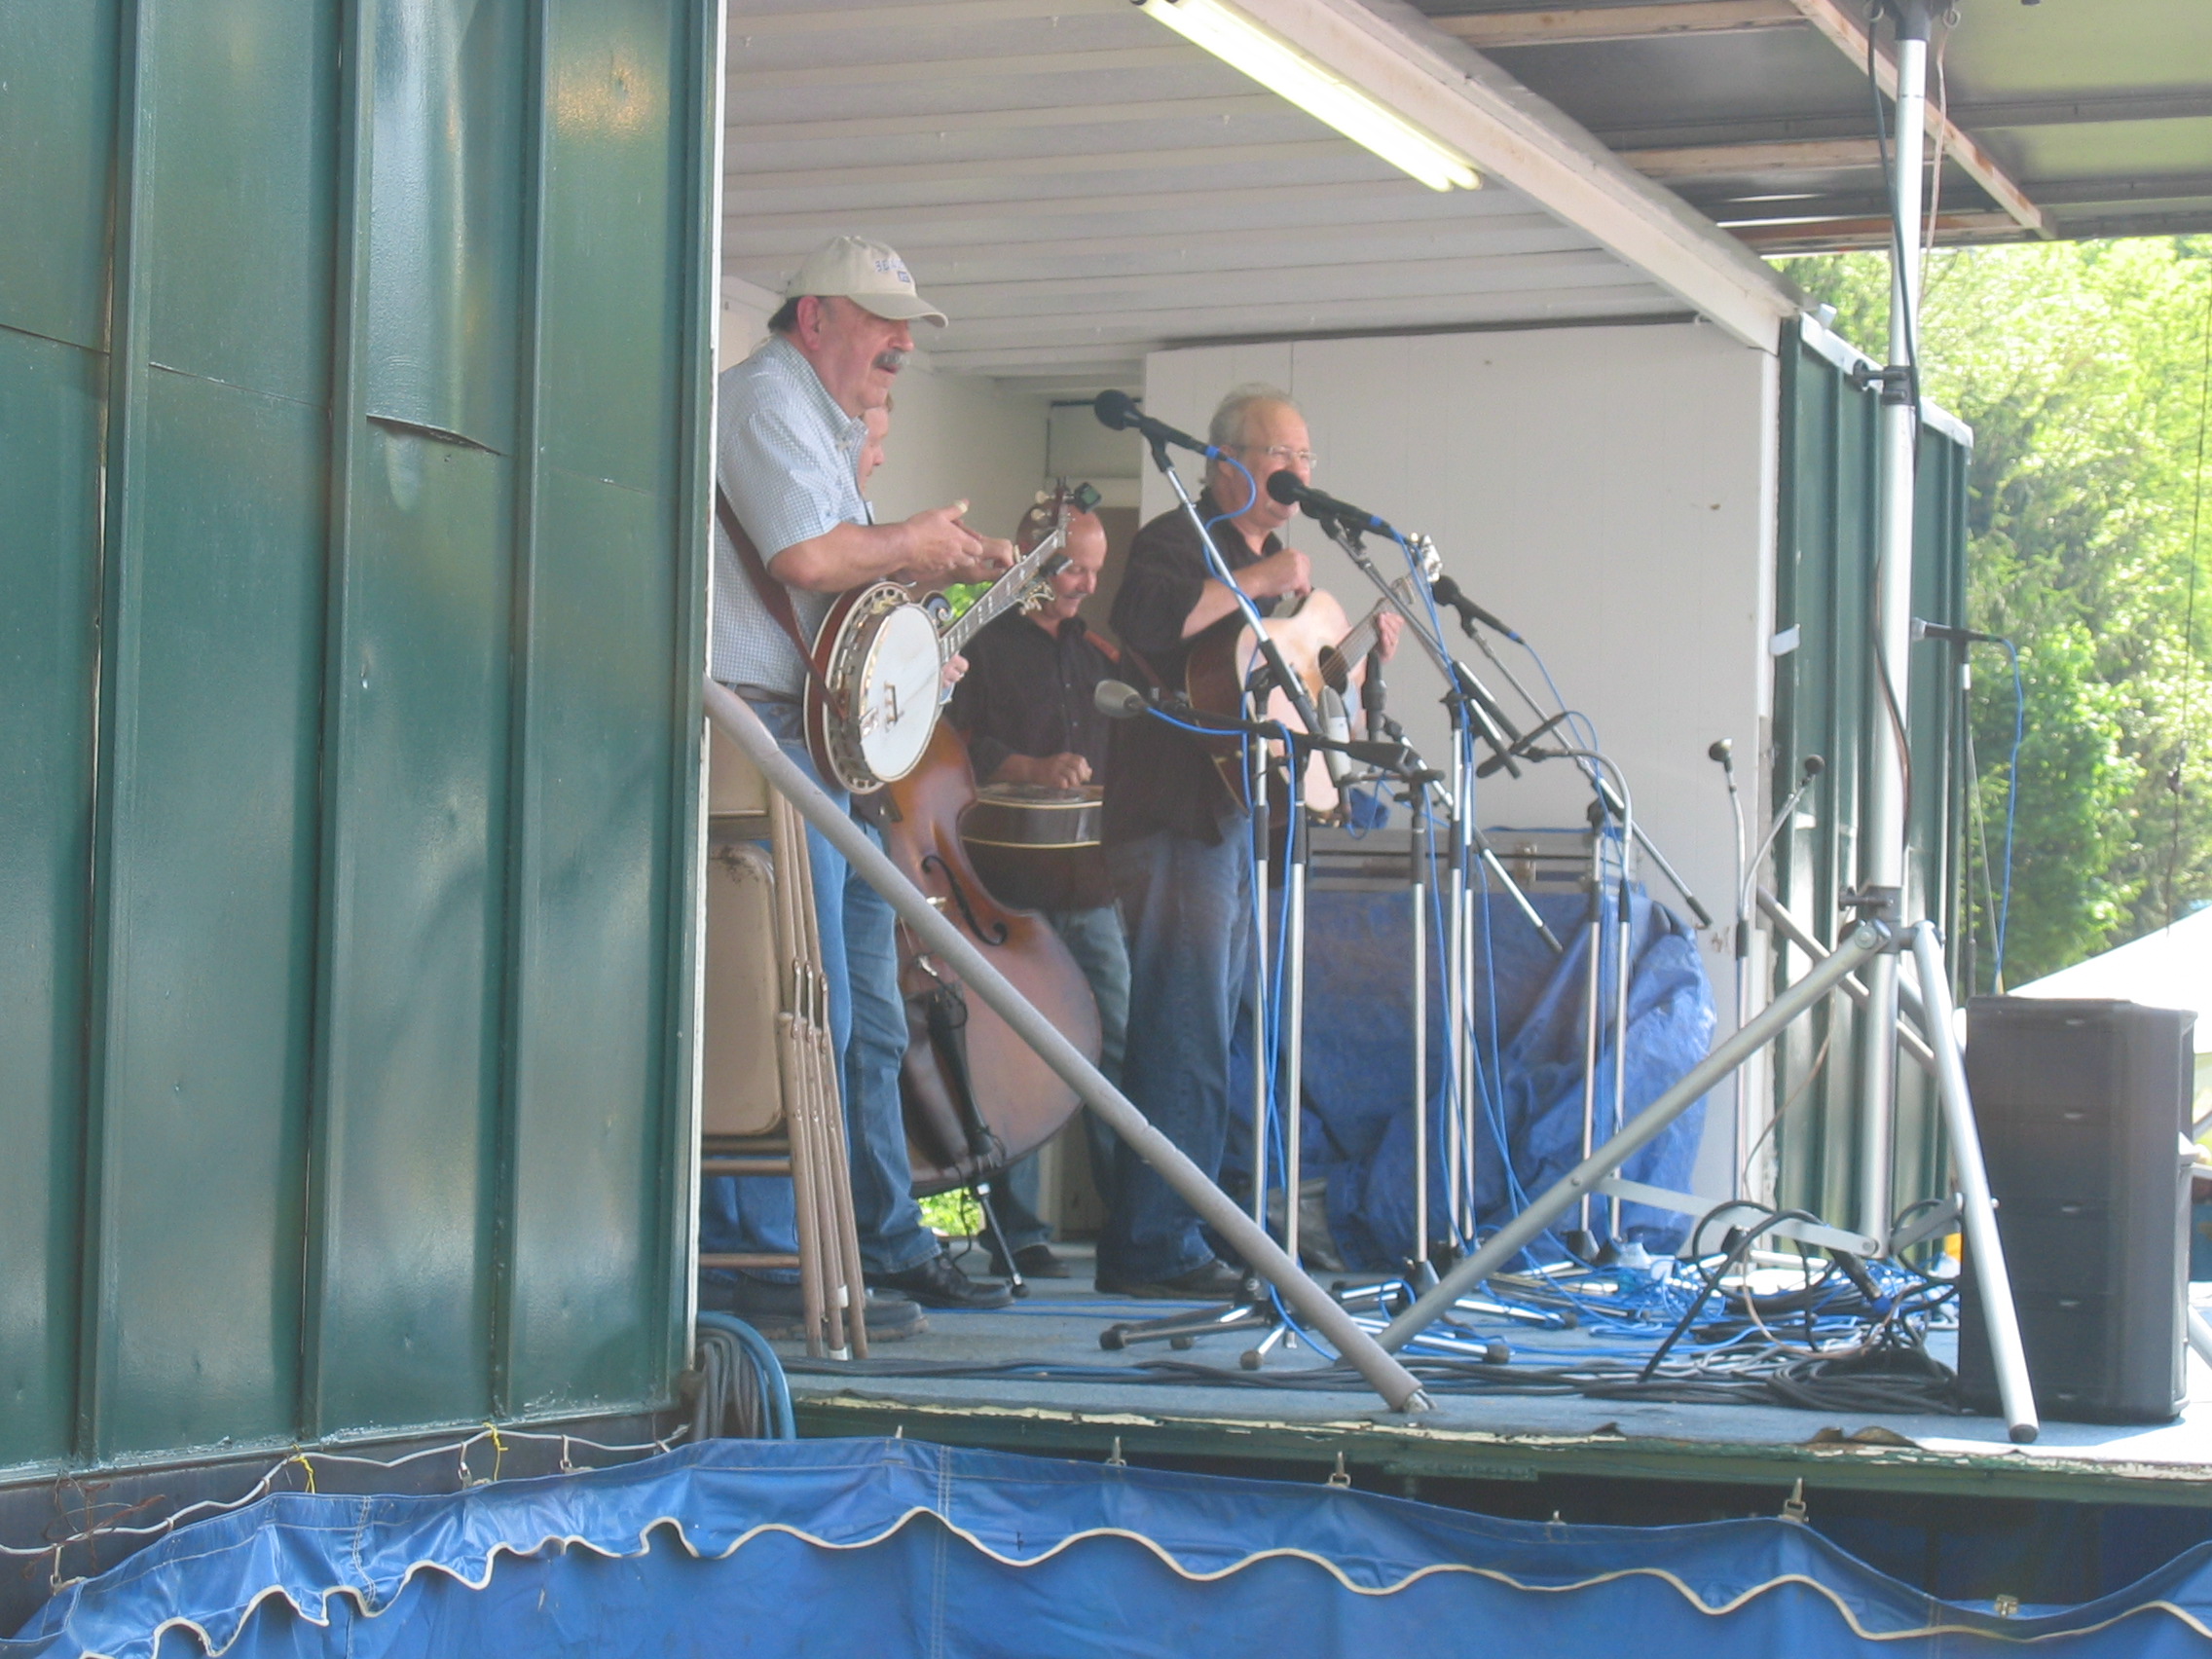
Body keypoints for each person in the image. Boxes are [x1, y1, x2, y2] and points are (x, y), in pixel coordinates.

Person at [702, 235, 1016, 1321]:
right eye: (879, 320)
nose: (898, 342)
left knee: (866, 1014)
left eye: (903, 326)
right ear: (811, 319)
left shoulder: (807, 418)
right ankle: (812, 1263)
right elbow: (806, 561)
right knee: (812, 1014)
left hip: (813, 741)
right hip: (771, 741)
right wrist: (910, 546)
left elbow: (831, 594)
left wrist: (916, 636)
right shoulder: (763, 402)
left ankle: (878, 1241)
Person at [1098, 384, 1399, 1296]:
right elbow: (1144, 626)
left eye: (1308, 457)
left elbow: (1298, 699)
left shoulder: (1293, 567)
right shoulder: (1176, 538)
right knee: (1180, 1032)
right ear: (1228, 462)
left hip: (1240, 824)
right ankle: (1152, 1247)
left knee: (1230, 1032)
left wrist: (1360, 668)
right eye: (1283, 455)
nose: (1300, 472)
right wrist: (1257, 582)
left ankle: (1215, 1225)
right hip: (1172, 819)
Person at [943, 502, 1130, 1278]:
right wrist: (1030, 767)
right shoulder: (980, 644)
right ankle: (1015, 1233)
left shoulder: (1099, 656)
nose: (1087, 584)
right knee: (1010, 1056)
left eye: (1094, 568)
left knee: (1117, 1044)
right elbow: (953, 743)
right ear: (1031, 561)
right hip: (1005, 884)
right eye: (1073, 568)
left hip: (1090, 884)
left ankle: (1134, 1224)